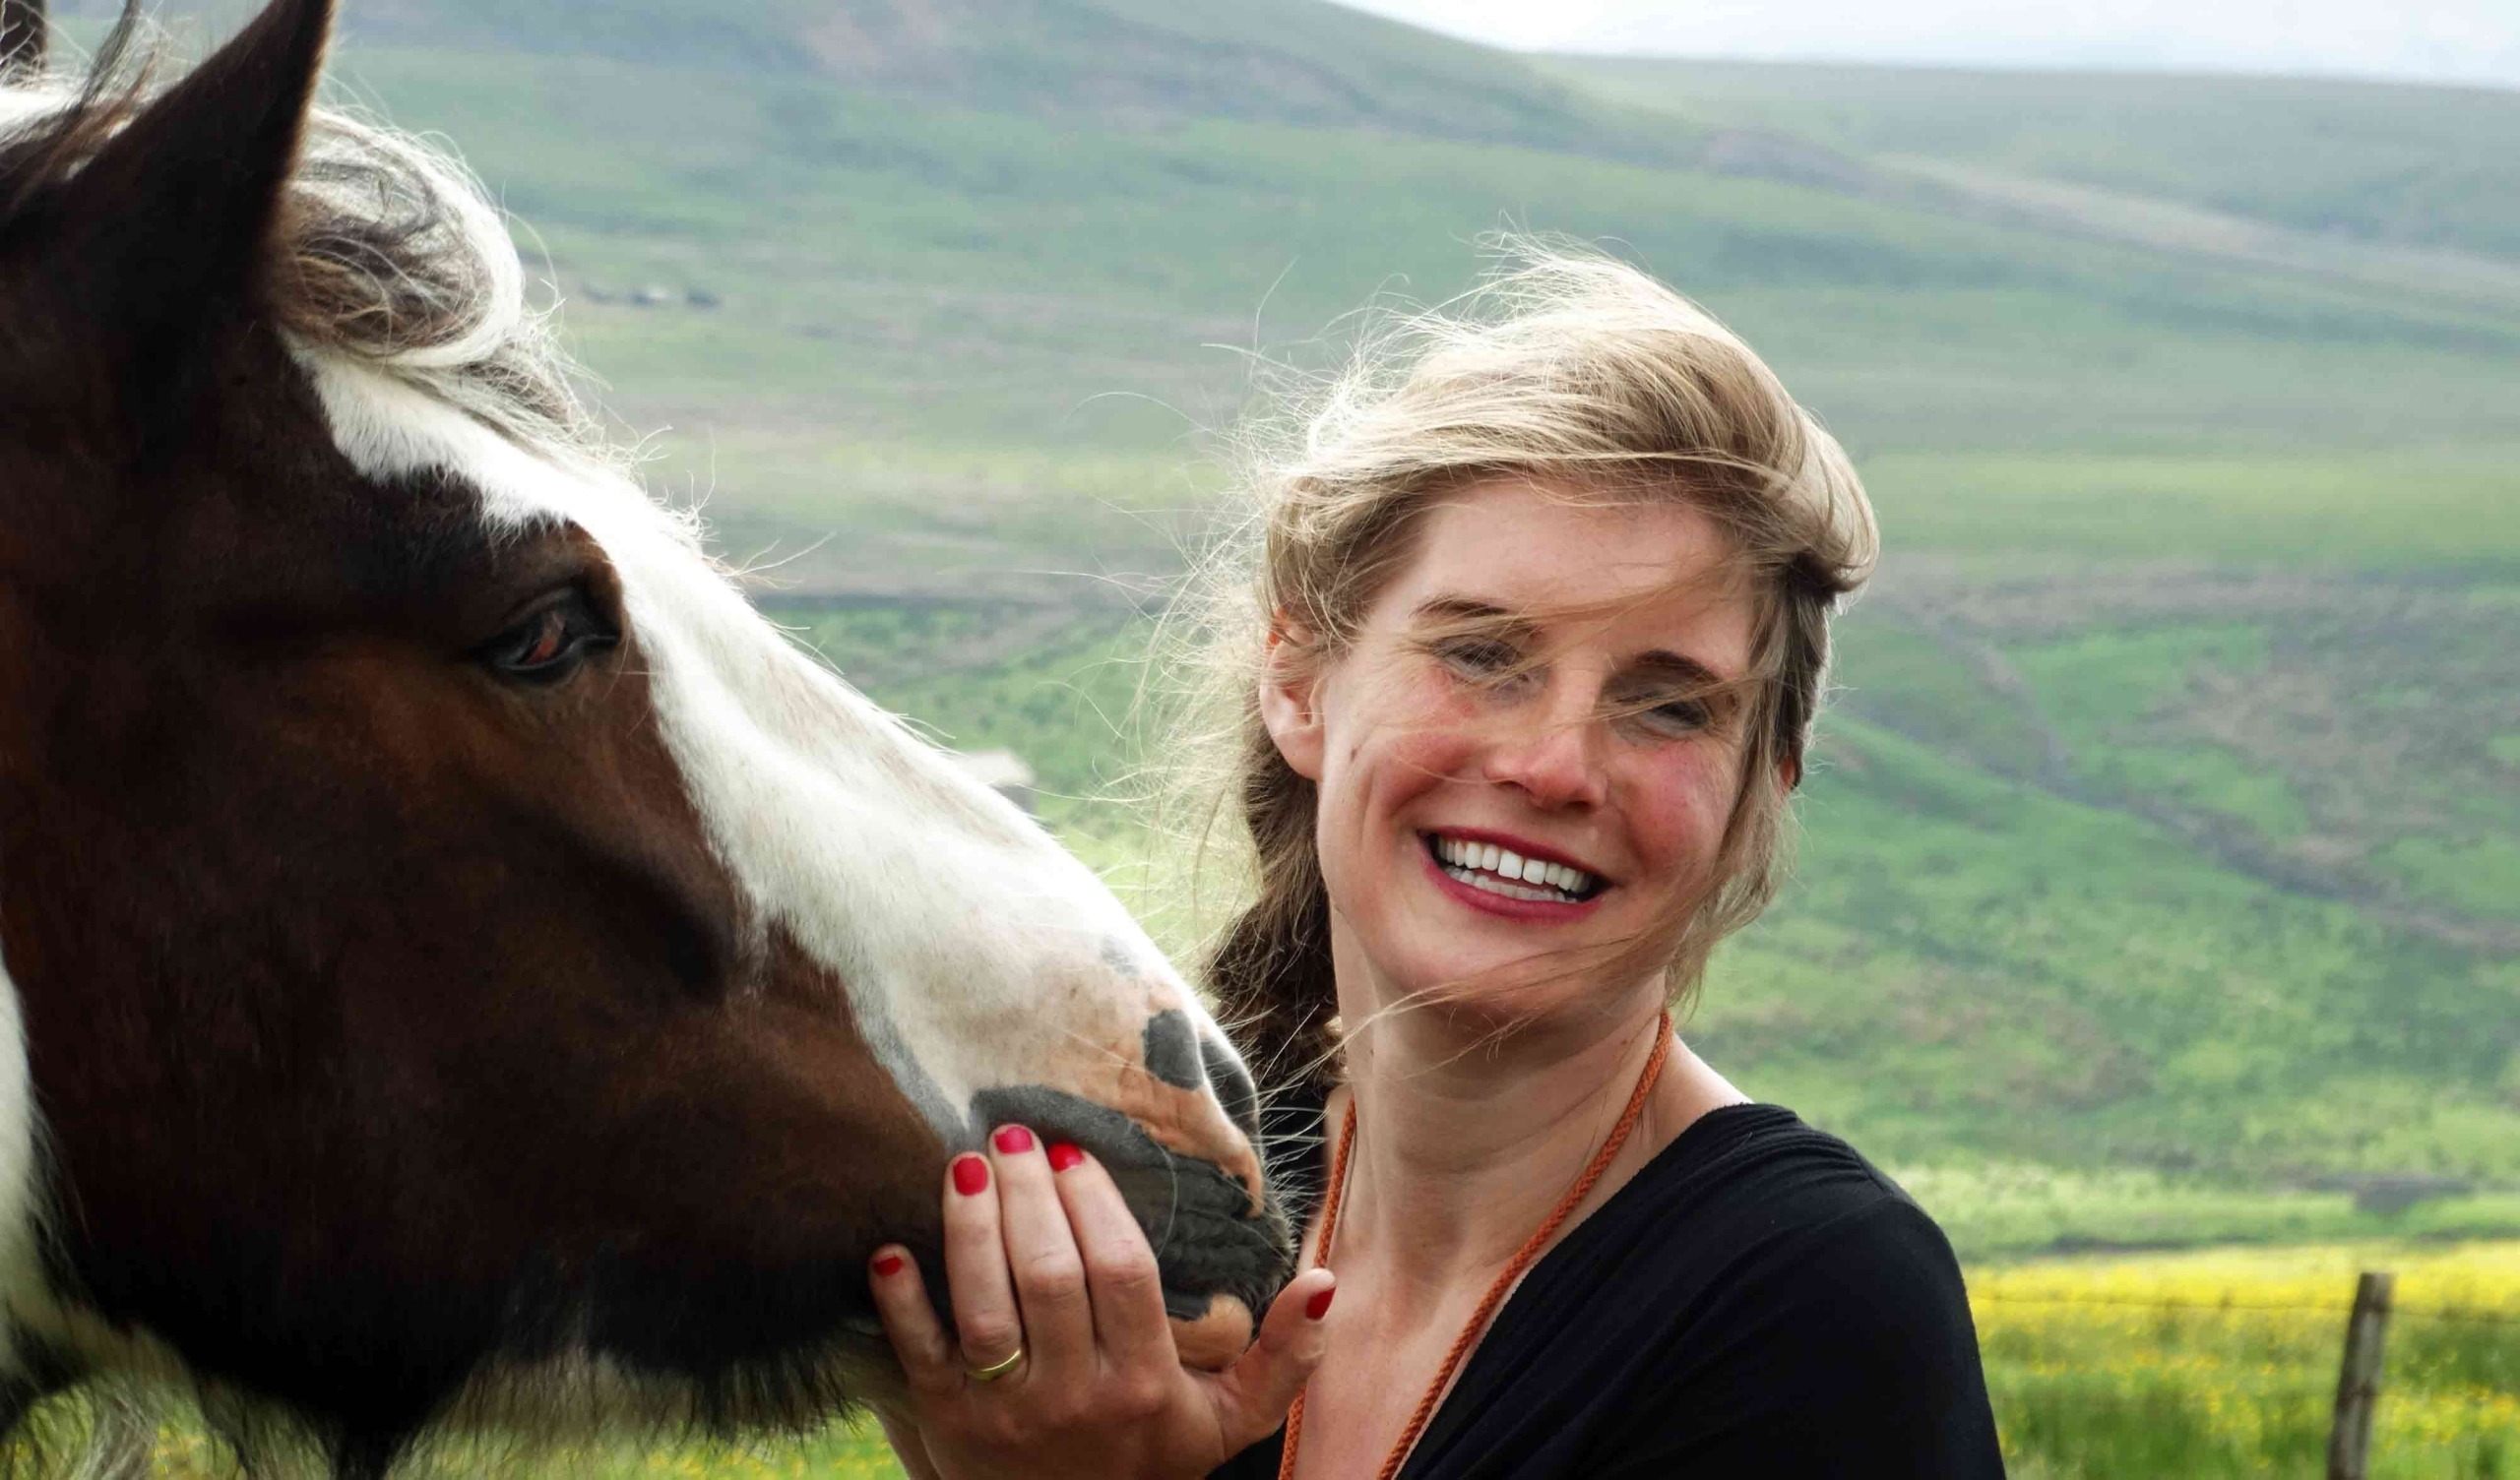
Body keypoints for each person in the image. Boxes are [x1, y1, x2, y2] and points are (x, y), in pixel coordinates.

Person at [864, 244, 2007, 1478]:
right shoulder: (1164, 1226)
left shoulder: (1813, 1306)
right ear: (1299, 681)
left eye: (1670, 705)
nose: (1558, 765)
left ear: (1757, 791)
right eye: (1481, 654)